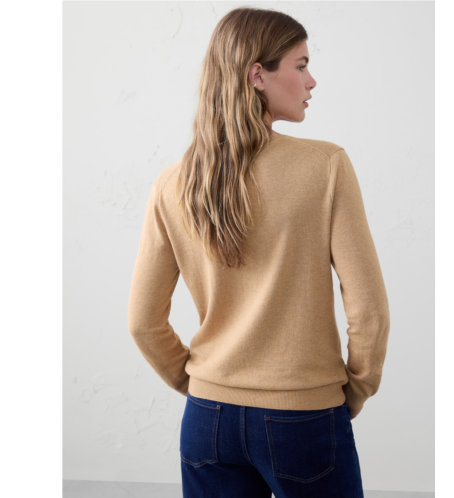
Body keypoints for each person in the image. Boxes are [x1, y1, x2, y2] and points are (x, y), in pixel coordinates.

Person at [128, 7, 390, 498]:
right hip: (304, 414)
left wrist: (201, 386)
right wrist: (355, 389)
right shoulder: (326, 166)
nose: (311, 80)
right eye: (300, 65)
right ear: (257, 75)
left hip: (207, 420)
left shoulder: (172, 183)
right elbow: (369, 309)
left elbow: (142, 321)